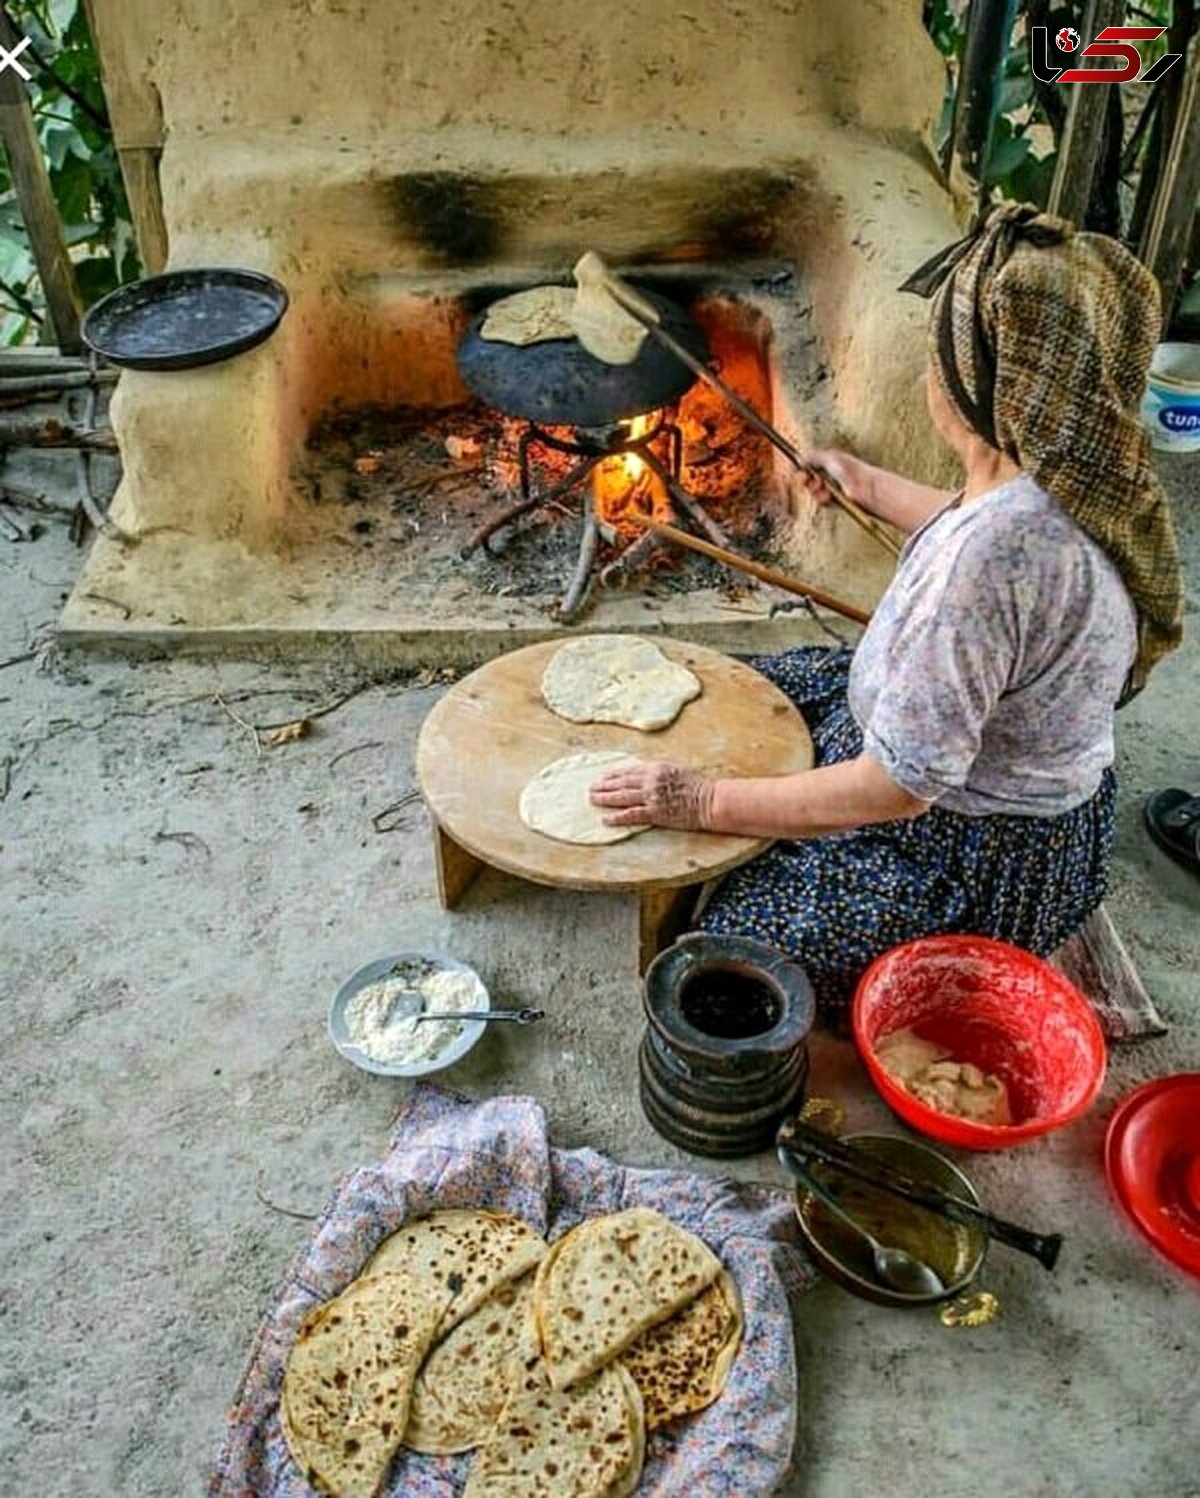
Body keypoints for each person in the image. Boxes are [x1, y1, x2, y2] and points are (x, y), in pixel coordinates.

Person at [590, 203, 1185, 1015]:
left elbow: (899, 786)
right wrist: (864, 484)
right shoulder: (1079, 478)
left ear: (986, 386)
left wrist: (700, 802)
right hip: (1016, 798)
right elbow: (975, 527)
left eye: (940, 355)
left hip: (968, 854)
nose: (930, 373)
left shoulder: (988, 565)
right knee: (733, 690)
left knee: (728, 950)